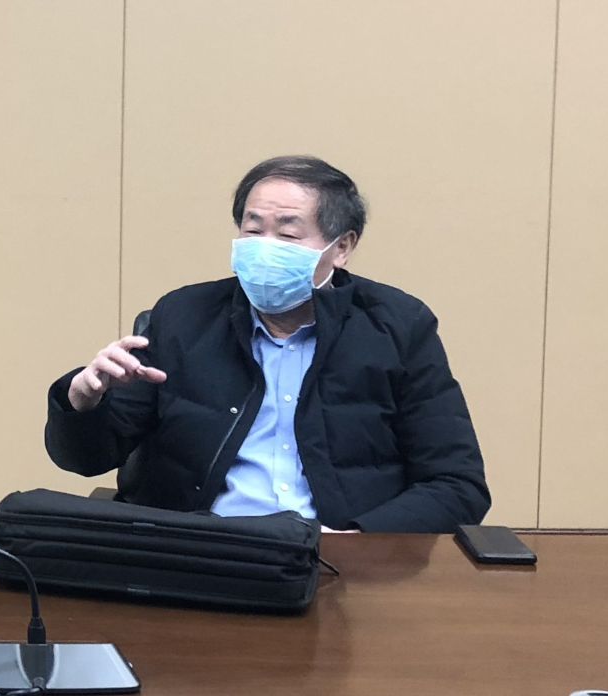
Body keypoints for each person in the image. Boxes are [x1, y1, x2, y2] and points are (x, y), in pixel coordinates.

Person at [45, 155, 490, 532]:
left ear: (341, 247)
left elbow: (457, 485)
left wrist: (357, 541)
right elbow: (85, 459)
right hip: (199, 551)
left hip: (338, 559)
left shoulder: (398, 327)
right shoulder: (183, 316)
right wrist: (81, 400)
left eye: (288, 235)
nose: (265, 248)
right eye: (253, 231)